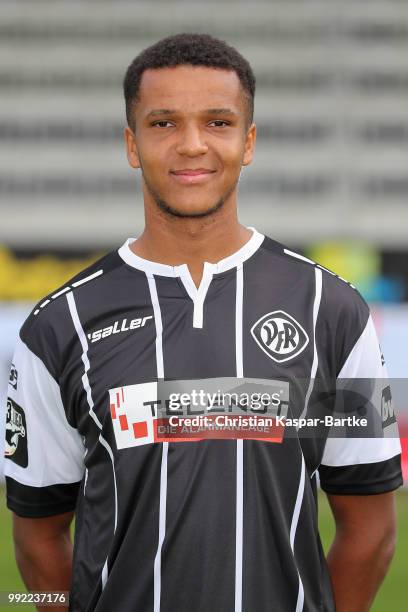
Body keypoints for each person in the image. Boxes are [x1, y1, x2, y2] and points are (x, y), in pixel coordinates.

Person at [4, 33, 403, 612]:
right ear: (131, 144)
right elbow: (38, 536)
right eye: (163, 123)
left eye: (218, 122)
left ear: (249, 142)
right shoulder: (57, 326)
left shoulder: (335, 311)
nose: (192, 145)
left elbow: (371, 530)